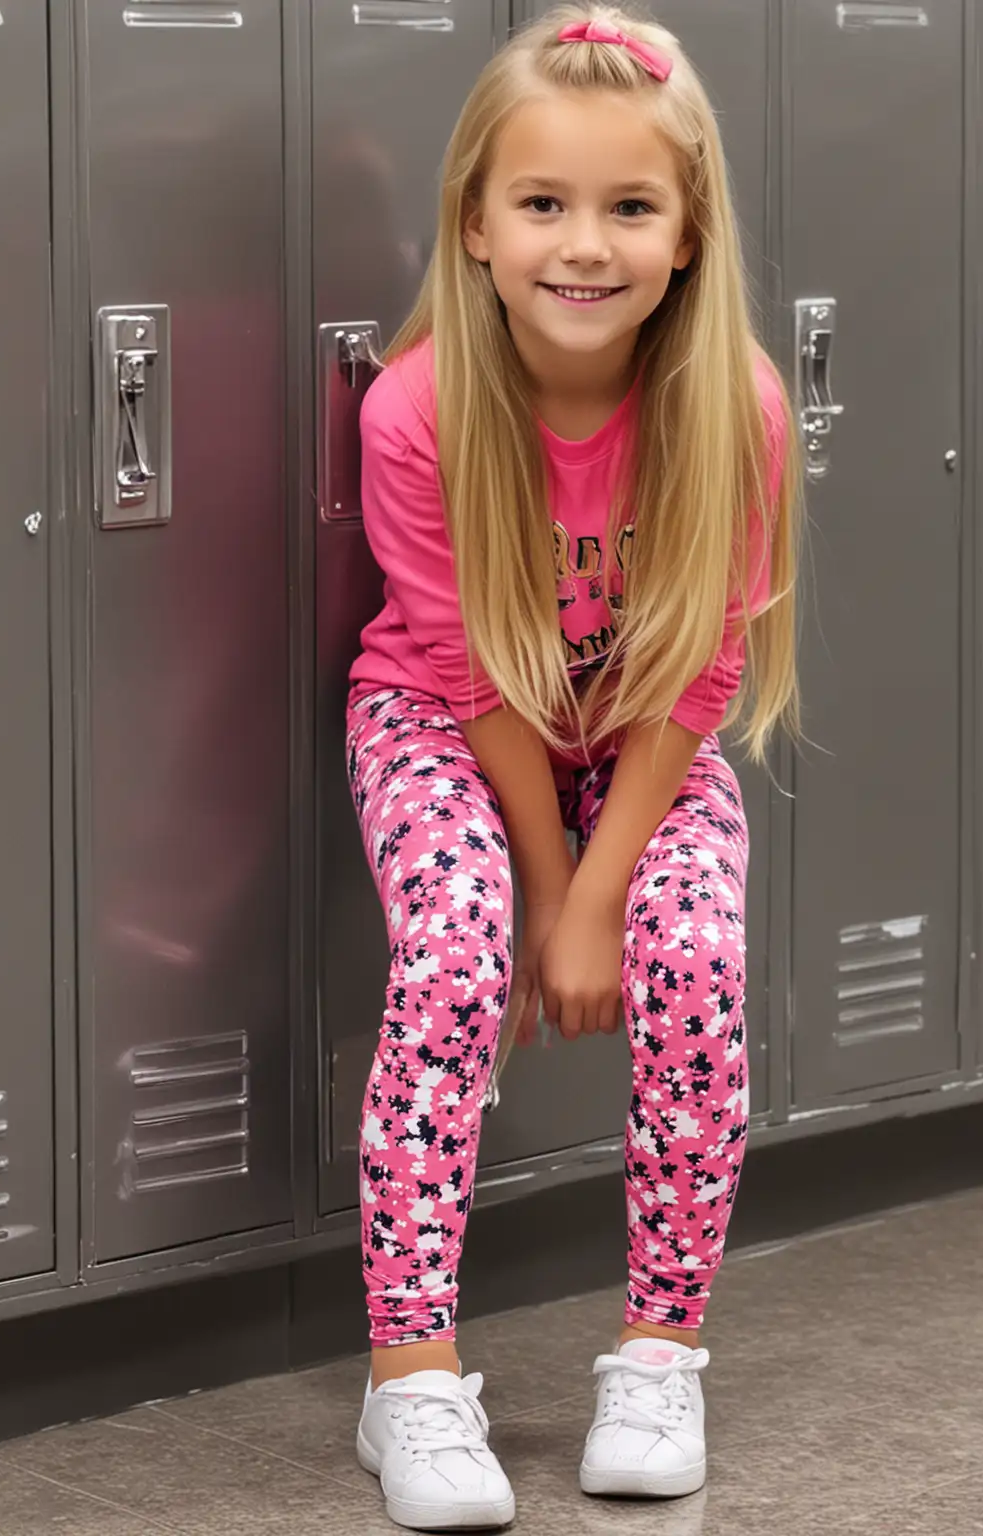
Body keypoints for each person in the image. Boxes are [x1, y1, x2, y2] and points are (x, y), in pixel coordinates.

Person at [345, 5, 800, 1529]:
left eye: (629, 207)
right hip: (445, 726)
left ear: (687, 235)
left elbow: (701, 670)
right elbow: (465, 671)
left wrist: (606, 895)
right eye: (542, 204)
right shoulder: (417, 407)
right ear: (475, 223)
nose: (583, 245)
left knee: (692, 956)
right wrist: (549, 895)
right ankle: (411, 1382)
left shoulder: (731, 404)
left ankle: (660, 1355)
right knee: (460, 957)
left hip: (638, 742)